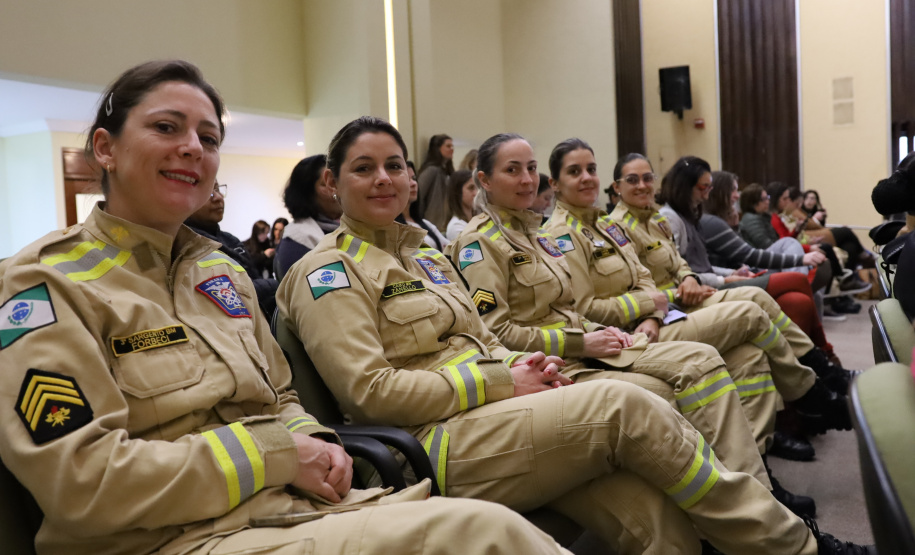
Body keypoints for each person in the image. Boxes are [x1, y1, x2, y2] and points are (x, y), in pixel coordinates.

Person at [0, 61, 579, 555]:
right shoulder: (42, 286)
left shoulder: (219, 273)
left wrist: (317, 445)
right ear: (105, 148)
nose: (193, 148)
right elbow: (84, 481)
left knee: (592, 491)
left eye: (209, 138)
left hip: (286, 508)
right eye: (166, 127)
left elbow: (278, 398)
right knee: (487, 533)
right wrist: (278, 453)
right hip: (169, 538)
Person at [279, 117, 872, 555]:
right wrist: (505, 379)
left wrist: (533, 369)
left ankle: (749, 520)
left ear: (410, 177)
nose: (384, 179)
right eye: (364, 168)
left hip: (497, 410)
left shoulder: (428, 260)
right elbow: (371, 394)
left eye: (394, 166)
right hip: (434, 439)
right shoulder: (327, 273)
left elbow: (490, 339)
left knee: (661, 524)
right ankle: (798, 547)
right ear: (332, 181)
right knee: (626, 404)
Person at [543, 138, 853, 514]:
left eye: (590, 168)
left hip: (659, 316)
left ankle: (758, 479)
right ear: (556, 183)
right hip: (628, 335)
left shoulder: (612, 226)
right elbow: (587, 309)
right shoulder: (564, 234)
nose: (586, 177)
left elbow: (656, 274)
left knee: (749, 355)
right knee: (752, 310)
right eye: (574, 171)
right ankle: (812, 393)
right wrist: (654, 305)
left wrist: (671, 293)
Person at [610, 154, 852, 388]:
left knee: (796, 299)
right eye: (632, 180)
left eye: (647, 178)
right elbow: (646, 283)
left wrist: (702, 276)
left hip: (693, 291)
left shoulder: (662, 219)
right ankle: (821, 373)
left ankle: (818, 376)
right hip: (678, 302)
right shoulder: (656, 221)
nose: (642, 185)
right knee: (788, 285)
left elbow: (683, 265)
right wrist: (720, 278)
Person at [186, 181, 279, 315]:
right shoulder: (187, 244)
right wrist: (275, 284)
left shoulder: (231, 239)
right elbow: (234, 293)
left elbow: (251, 279)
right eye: (209, 192)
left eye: (218, 189)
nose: (218, 197)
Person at [275, 154, 341, 279]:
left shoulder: (346, 227)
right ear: (307, 193)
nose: (336, 189)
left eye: (336, 181)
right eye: (326, 184)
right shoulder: (298, 240)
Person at [399, 161, 447, 250]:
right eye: (407, 179)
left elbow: (449, 247)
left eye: (414, 178)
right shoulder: (393, 229)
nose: (414, 183)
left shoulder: (425, 223)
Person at [416, 133, 454, 231]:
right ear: (438, 148)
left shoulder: (447, 171)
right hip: (432, 224)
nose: (452, 149)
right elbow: (419, 195)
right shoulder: (431, 170)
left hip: (445, 224)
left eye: (452, 146)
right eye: (448, 146)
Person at [443, 168, 475, 240]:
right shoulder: (456, 226)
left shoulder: (478, 218)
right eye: (471, 188)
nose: (476, 193)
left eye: (477, 187)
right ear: (457, 191)